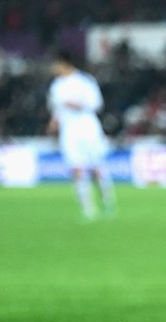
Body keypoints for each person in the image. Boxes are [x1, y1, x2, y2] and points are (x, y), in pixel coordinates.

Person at [47, 50, 115, 220]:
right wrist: (54, 122)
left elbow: (96, 104)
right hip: (69, 131)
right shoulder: (56, 85)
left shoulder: (85, 81)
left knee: (96, 167)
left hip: (88, 127)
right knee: (76, 168)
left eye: (55, 64)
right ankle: (88, 209)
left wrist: (75, 104)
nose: (53, 68)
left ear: (64, 63)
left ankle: (108, 201)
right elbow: (58, 109)